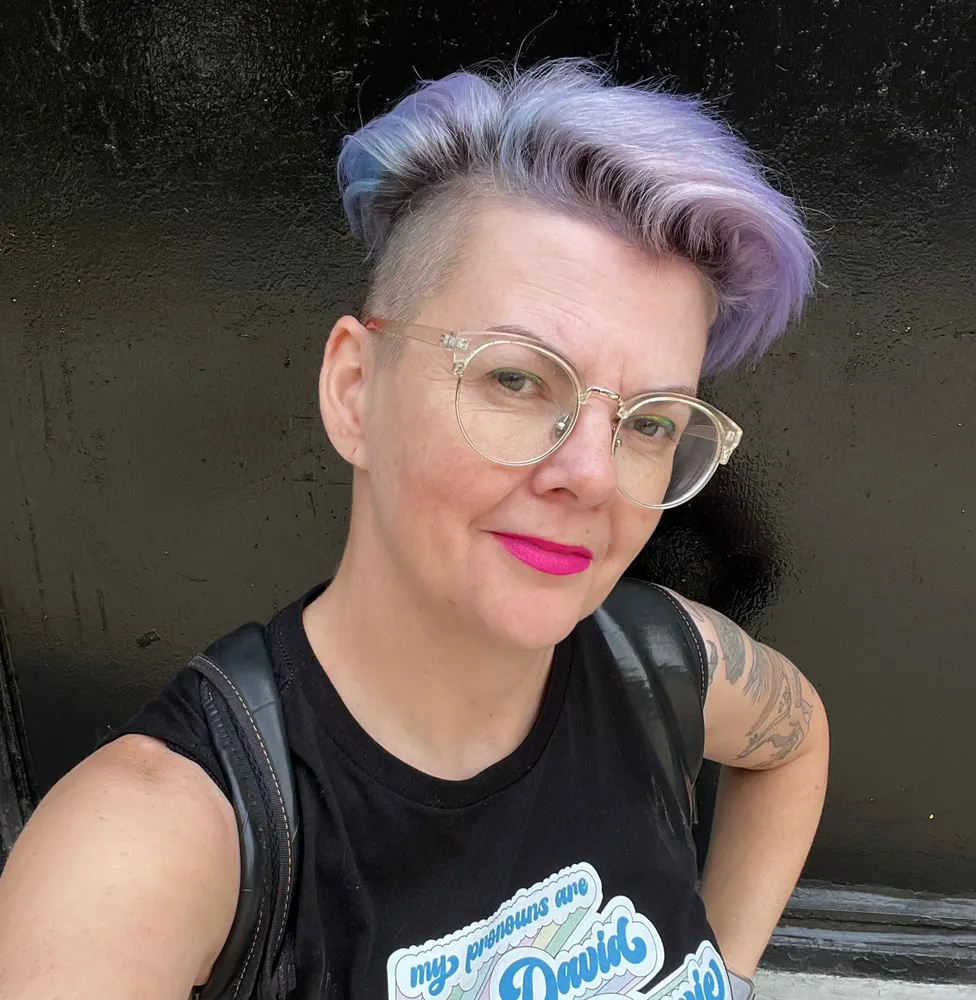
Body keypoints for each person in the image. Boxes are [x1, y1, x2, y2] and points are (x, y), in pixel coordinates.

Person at [0, 59, 828, 1000]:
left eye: (650, 423)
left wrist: (728, 973)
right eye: (516, 379)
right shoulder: (161, 841)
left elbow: (797, 741)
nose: (594, 476)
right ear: (355, 391)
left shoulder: (663, 661)